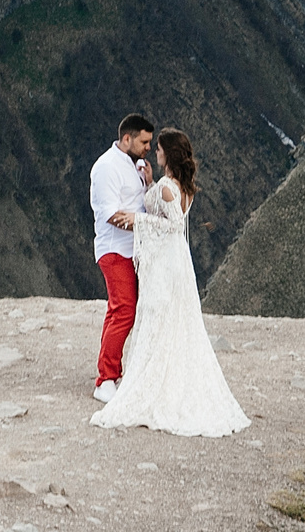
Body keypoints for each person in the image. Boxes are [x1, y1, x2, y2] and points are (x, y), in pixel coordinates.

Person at [90, 127, 250, 437]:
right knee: (169, 321)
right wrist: (149, 183)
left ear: (168, 154)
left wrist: (139, 219)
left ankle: (139, 379)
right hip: (175, 261)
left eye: (158, 147)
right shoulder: (180, 186)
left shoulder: (167, 186)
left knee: (155, 318)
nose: (154, 151)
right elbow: (171, 211)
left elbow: (173, 225)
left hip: (164, 264)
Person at [90, 113, 153, 401]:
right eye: (144, 142)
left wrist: (148, 183)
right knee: (124, 310)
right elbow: (109, 215)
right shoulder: (106, 168)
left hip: (133, 249)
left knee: (123, 310)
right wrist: (145, 222)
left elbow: (136, 202)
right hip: (115, 250)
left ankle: (113, 371)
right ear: (127, 139)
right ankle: (105, 379)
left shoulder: (134, 165)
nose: (148, 148)